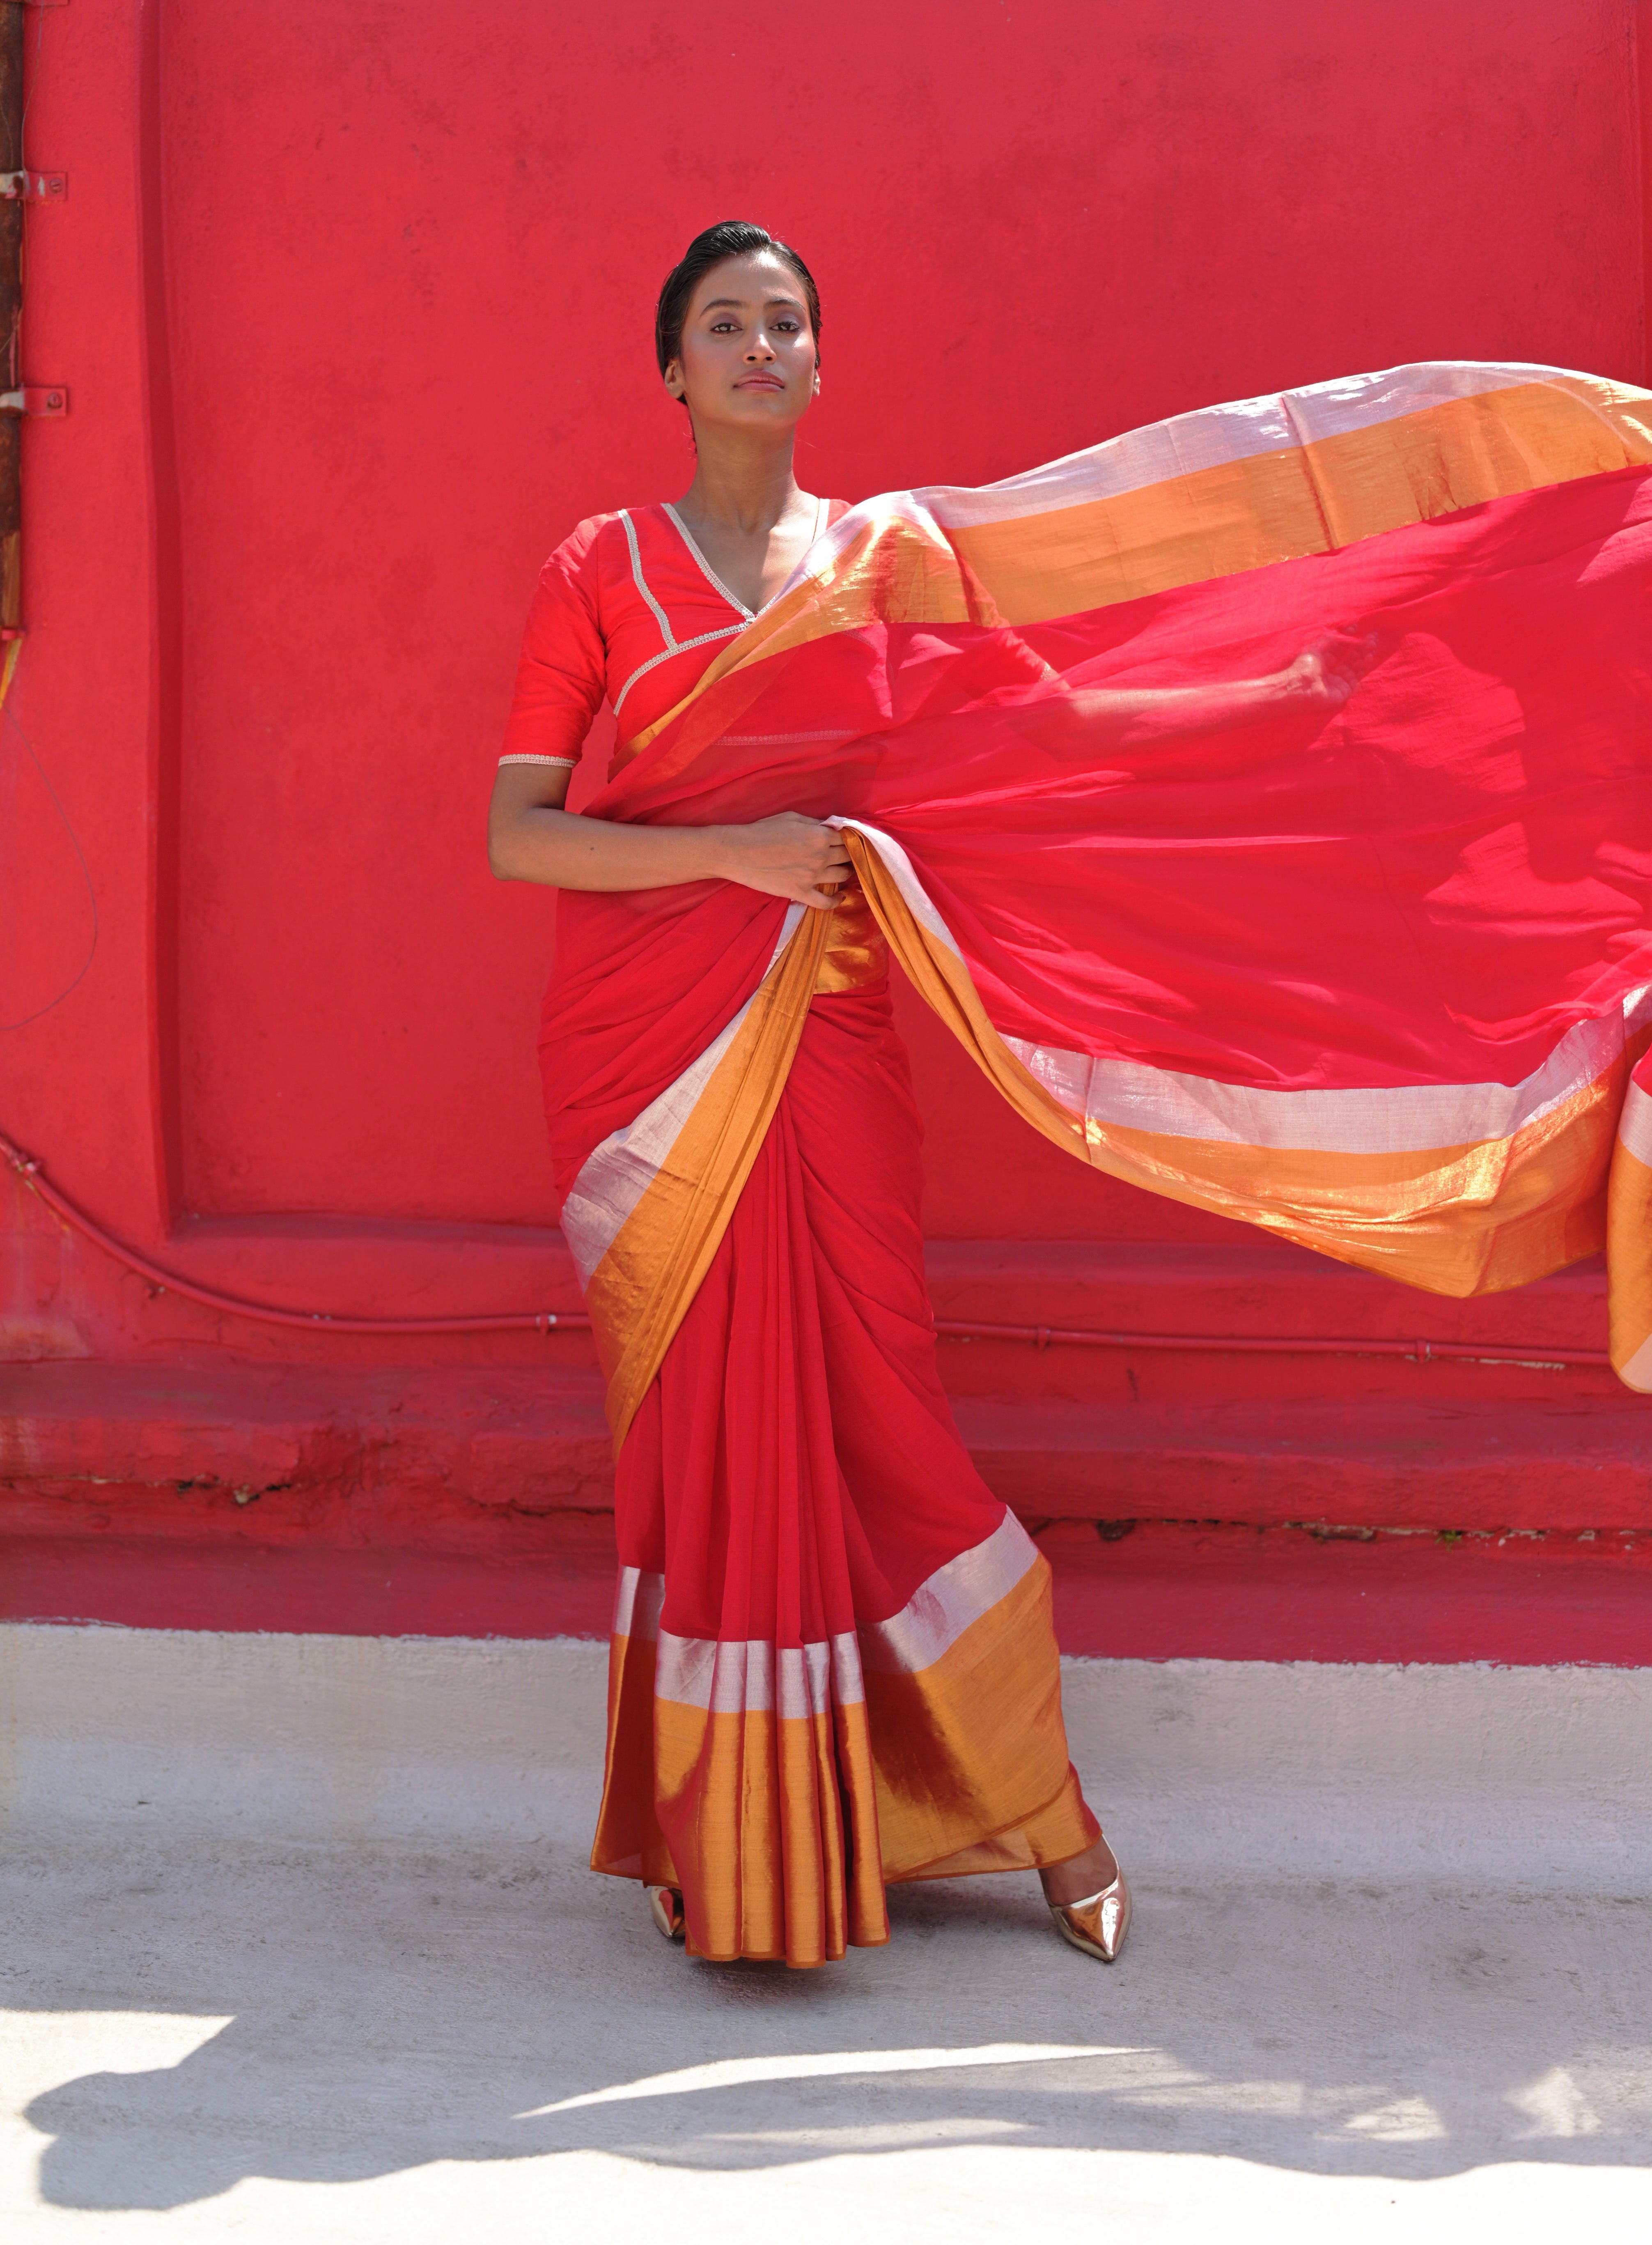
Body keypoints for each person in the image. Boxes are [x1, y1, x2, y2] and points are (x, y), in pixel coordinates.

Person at [489, 221, 1373, 1969]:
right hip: (649, 1061)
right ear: (671, 369)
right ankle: (724, 1831)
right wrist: (738, 851)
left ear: (820, 363)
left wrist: (1270, 697)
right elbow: (518, 833)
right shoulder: (598, 565)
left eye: (788, 322)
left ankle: (1039, 1808)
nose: (760, 346)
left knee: (882, 1411)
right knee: (703, 1444)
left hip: (827, 1041)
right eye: (725, 324)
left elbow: (1041, 729)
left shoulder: (878, 565)